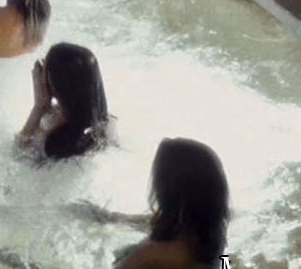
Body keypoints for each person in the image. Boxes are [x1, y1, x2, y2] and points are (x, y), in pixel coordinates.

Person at [69, 138, 230, 269]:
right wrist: (109, 217)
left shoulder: (154, 255)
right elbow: (225, 262)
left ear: (167, 191)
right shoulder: (214, 230)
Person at [16, 43, 110, 159]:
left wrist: (39, 106)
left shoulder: (56, 143)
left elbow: (18, 155)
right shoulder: (103, 123)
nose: (40, 71)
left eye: (45, 67)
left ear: (56, 82)